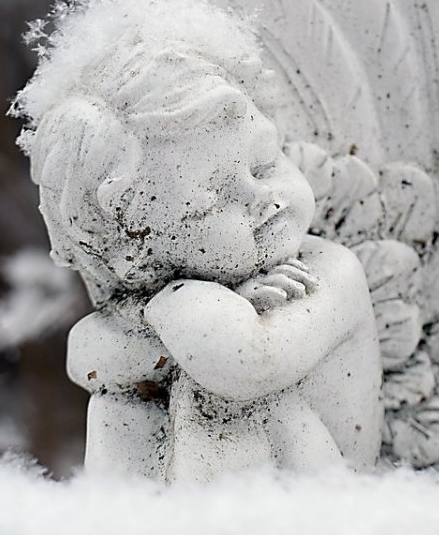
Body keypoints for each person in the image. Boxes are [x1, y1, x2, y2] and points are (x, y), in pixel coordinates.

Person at [28, 43, 381, 481]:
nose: (260, 198)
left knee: (223, 402)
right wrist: (184, 307)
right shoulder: (173, 299)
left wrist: (186, 310)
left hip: (324, 507)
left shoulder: (330, 272)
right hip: (179, 509)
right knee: (119, 404)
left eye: (265, 163)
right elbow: (85, 355)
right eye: (215, 200)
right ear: (141, 251)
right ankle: (123, 532)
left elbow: (246, 361)